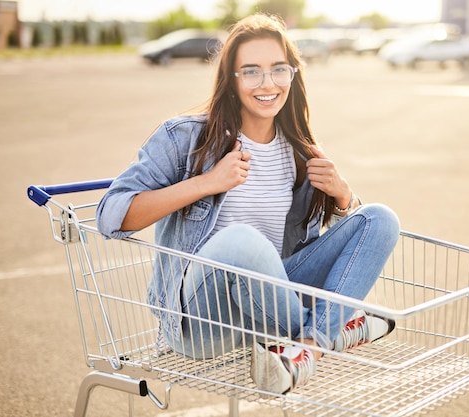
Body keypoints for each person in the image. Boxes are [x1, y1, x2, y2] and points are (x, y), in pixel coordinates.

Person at [96, 13, 400, 395]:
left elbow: (320, 249)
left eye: (278, 69)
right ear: (232, 79)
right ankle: (333, 329)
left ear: (293, 74)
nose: (267, 83)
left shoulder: (301, 153)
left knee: (379, 218)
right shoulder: (185, 138)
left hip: (270, 304)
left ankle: (309, 348)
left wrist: (342, 196)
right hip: (203, 322)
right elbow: (111, 215)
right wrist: (206, 183)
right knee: (241, 242)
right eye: (251, 71)